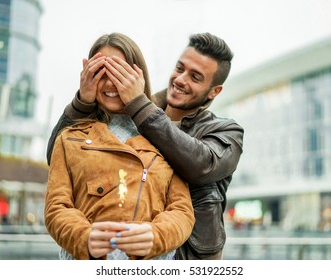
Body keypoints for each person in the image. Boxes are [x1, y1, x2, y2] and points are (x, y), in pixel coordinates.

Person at [47, 32, 244, 260]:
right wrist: (83, 101)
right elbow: (58, 156)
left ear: (214, 91)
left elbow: (200, 165)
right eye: (180, 68)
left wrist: (138, 103)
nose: (181, 79)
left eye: (196, 77)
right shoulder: (138, 115)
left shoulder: (227, 132)